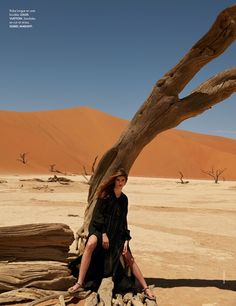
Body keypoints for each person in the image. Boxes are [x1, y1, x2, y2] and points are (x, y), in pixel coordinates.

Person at [68, 169, 156, 300]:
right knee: (91, 243)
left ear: (125, 182)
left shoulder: (124, 199)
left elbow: (123, 221)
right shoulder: (105, 195)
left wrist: (126, 239)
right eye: (118, 180)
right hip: (99, 228)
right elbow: (97, 217)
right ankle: (79, 283)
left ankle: (145, 288)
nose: (120, 183)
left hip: (116, 231)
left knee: (127, 255)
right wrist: (103, 233)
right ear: (114, 180)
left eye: (123, 180)